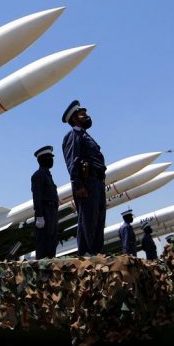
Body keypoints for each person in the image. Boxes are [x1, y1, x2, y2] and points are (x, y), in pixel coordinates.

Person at [61, 100, 107, 256]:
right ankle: (86, 254)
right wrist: (78, 185)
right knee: (88, 219)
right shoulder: (73, 135)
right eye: (83, 114)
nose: (87, 116)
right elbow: (72, 162)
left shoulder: (86, 136)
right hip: (87, 183)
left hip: (97, 182)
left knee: (98, 219)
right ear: (74, 118)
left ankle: (96, 254)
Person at [31, 145, 59, 259]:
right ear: (42, 160)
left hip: (52, 211)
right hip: (45, 211)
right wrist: (39, 215)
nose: (52, 160)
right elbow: (37, 197)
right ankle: (42, 266)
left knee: (52, 240)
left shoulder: (48, 176)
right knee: (44, 241)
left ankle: (50, 264)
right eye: (49, 158)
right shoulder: (38, 176)